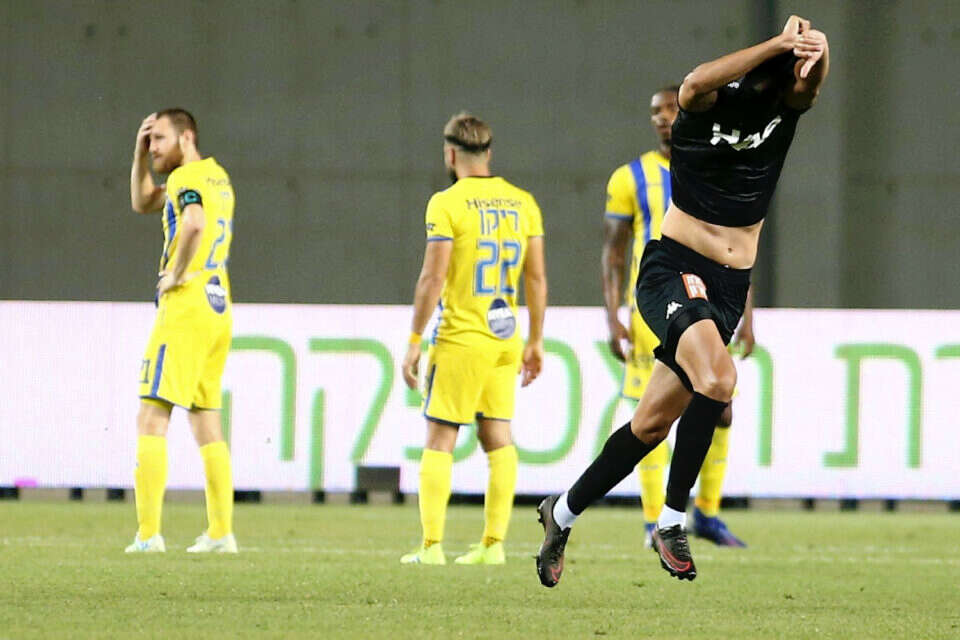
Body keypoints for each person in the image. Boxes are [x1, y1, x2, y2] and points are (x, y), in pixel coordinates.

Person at [538, 15, 828, 584]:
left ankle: (561, 512)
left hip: (728, 288)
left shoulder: (781, 116)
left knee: (649, 426)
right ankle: (671, 521)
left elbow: (811, 86)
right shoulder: (700, 113)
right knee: (719, 381)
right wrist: (776, 42)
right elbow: (695, 82)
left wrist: (819, 50)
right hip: (675, 271)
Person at [603, 86, 753, 549]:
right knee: (650, 414)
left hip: (710, 304)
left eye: (670, 108)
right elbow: (613, 252)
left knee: (721, 407)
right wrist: (612, 316)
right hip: (655, 307)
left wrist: (747, 313)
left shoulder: (715, 166)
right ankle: (655, 521)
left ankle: (706, 512)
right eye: (655, 111)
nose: (662, 117)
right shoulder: (630, 177)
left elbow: (736, 246)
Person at [400, 112, 547, 565]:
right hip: (506, 338)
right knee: (498, 436)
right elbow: (536, 278)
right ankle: (493, 545)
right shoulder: (523, 202)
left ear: (450, 154)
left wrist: (414, 338)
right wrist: (536, 340)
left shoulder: (446, 203)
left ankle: (431, 547)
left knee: (440, 438)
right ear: (489, 153)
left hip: (462, 336)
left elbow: (433, 277)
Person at [126, 109, 238, 553]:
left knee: (151, 415)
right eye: (149, 140)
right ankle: (221, 533)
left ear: (186, 137)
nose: (153, 147)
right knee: (206, 419)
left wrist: (174, 273)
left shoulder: (184, 178)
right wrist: (139, 155)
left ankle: (148, 535)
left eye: (159, 139)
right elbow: (142, 201)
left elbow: (193, 221)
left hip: (186, 305)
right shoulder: (217, 177)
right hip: (218, 304)